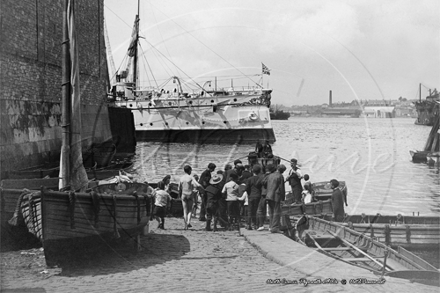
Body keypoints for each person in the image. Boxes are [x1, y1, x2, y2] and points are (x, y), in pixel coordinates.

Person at [263, 164, 286, 233]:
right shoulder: (280, 176)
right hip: (276, 195)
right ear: (282, 170)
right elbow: (282, 188)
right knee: (276, 211)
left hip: (269, 195)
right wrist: (283, 198)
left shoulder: (270, 175)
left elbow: (263, 182)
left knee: (271, 211)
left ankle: (271, 226)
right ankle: (275, 227)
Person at [179, 165, 203, 230]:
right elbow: (197, 184)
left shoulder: (181, 178)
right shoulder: (191, 177)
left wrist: (179, 195)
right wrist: (203, 188)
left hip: (183, 194)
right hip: (189, 194)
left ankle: (185, 226)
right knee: (190, 210)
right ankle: (188, 222)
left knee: (185, 210)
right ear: (189, 170)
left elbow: (180, 188)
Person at [244, 164, 263, 230]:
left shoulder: (249, 179)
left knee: (250, 211)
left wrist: (249, 194)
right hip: (258, 196)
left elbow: (246, 188)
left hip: (251, 196)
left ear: (252, 171)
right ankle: (256, 225)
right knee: (257, 211)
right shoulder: (260, 178)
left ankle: (249, 224)